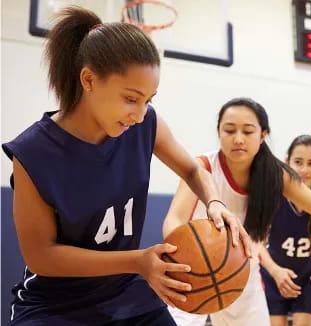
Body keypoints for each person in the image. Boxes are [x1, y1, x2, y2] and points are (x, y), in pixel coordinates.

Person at [2, 7, 249, 325]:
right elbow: (42, 257)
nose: (141, 112)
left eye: (149, 99)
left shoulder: (145, 124)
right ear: (89, 79)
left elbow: (193, 170)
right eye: (131, 98)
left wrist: (214, 202)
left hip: (125, 291)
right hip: (55, 305)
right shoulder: (34, 153)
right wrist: (138, 260)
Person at [163, 98, 311, 326]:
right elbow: (174, 218)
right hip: (193, 271)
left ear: (263, 134)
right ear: (218, 132)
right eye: (229, 130)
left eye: (247, 131)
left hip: (241, 272)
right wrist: (188, 254)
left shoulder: (274, 173)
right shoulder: (203, 166)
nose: (238, 139)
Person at [259, 135, 311, 326]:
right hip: (274, 275)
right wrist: (275, 271)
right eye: (298, 162)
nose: (304, 169)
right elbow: (257, 243)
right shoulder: (273, 195)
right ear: (287, 163)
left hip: (306, 277)